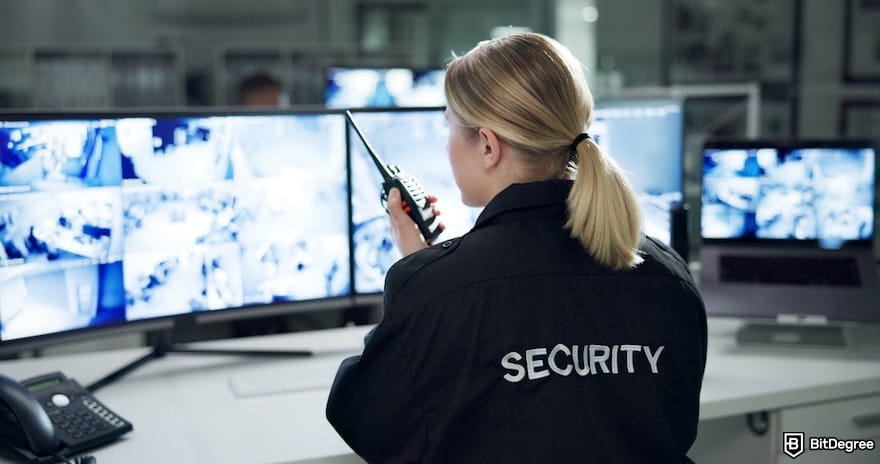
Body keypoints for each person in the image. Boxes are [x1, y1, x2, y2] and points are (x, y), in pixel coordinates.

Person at [325, 32, 707, 463]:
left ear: (488, 146)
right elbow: (676, 426)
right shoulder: (667, 275)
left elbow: (372, 426)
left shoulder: (434, 290)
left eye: (449, 125)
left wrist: (420, 279)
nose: (447, 144)